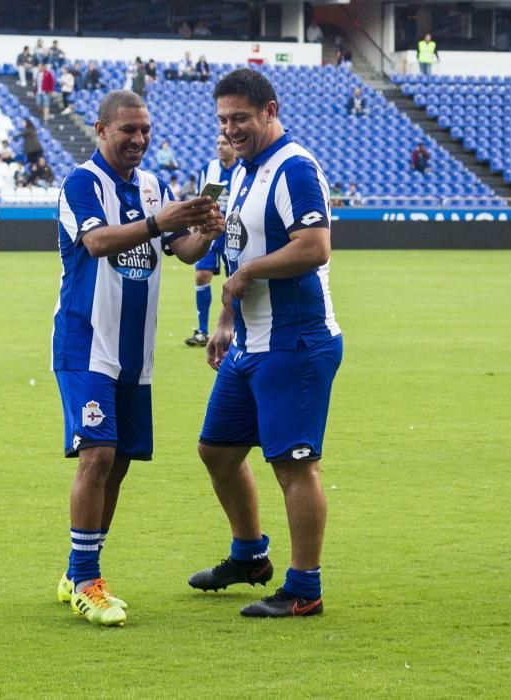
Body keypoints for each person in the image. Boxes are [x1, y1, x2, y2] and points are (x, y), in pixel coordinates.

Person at [52, 89, 224, 627]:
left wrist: (205, 231)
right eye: (127, 130)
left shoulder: (153, 186)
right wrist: (160, 223)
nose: (139, 139)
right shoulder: (82, 183)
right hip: (86, 345)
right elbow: (100, 242)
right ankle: (86, 583)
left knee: (119, 463)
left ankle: (77, 569)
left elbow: (182, 250)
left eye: (145, 130)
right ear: (101, 130)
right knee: (97, 456)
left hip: (135, 353)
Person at [187, 68, 343, 617]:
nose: (231, 129)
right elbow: (226, 255)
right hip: (250, 343)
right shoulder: (245, 172)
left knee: (293, 465)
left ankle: (305, 588)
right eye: (224, 119)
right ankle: (251, 555)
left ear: (270, 111)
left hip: (296, 342)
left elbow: (315, 247)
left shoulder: (294, 168)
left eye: (242, 118)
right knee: (218, 451)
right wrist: (226, 317)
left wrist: (246, 274)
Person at [185, 133, 240, 347]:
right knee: (201, 275)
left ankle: (235, 329)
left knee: (235, 281)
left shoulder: (243, 170)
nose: (220, 147)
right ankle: (202, 331)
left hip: (234, 231)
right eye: (217, 143)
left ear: (234, 146)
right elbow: (201, 198)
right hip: (210, 229)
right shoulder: (208, 169)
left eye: (224, 143)